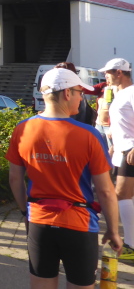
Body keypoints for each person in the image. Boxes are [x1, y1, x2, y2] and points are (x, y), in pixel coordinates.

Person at [7, 67, 122, 288]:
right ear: (67, 93)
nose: (82, 98)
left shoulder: (22, 128)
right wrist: (113, 230)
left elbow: (15, 179)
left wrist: (25, 212)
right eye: (80, 92)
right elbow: (106, 190)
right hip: (79, 224)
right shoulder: (89, 135)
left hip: (39, 221)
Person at [100, 58, 134, 259]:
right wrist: (113, 146)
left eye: (108, 72)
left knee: (121, 195)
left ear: (119, 72)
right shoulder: (118, 94)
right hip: (121, 150)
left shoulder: (132, 92)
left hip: (130, 151)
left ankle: (130, 245)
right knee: (127, 197)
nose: (105, 76)